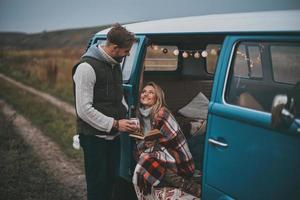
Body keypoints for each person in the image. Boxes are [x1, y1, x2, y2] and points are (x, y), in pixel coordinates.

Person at [72, 23, 138, 200]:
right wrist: (116, 124)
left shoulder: (115, 64)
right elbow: (84, 109)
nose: (128, 54)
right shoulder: (86, 68)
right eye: (126, 51)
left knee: (111, 182)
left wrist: (127, 117)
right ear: (115, 48)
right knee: (97, 186)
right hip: (94, 139)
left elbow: (119, 97)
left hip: (113, 137)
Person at [132, 82, 201, 199]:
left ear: (157, 97)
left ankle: (186, 185)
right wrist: (145, 144)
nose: (146, 94)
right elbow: (139, 144)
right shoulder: (137, 117)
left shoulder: (162, 113)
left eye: (151, 92)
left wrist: (154, 144)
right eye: (144, 92)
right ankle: (167, 183)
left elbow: (172, 141)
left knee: (146, 159)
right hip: (158, 154)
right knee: (140, 154)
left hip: (177, 157)